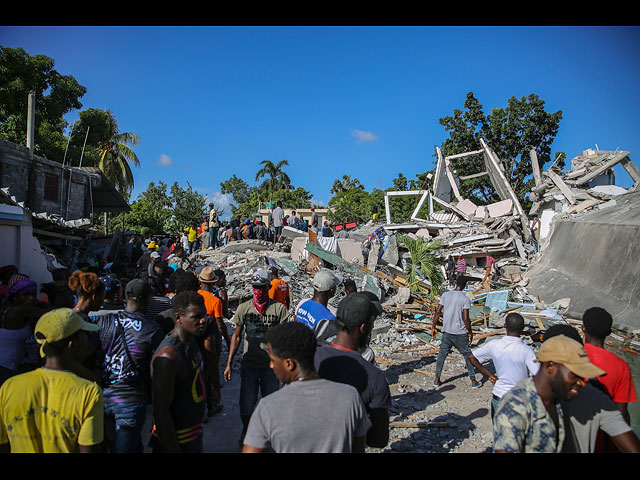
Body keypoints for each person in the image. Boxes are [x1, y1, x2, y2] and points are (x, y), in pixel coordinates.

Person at [242, 321, 371, 453]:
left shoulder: (267, 408)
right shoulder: (350, 397)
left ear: (289, 364)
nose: (270, 365)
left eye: (273, 360)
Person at [0, 308, 103, 453]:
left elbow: (3, 445)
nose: (88, 340)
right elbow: (89, 450)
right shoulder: (89, 392)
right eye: (84, 335)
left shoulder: (9, 387)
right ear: (71, 345)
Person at [492, 332, 606, 453]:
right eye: (575, 375)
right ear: (551, 366)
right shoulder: (517, 405)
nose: (582, 383)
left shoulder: (557, 400)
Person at [540, 323, 640, 453]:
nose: (582, 381)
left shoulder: (593, 397)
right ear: (551, 366)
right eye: (575, 372)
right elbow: (623, 414)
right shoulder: (521, 403)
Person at [314, 293, 391, 448]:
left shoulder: (308, 359)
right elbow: (379, 440)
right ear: (363, 327)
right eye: (371, 322)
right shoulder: (374, 377)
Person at [95, 278, 163, 453]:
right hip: (131, 400)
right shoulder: (151, 329)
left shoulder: (105, 322)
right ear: (146, 300)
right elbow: (158, 373)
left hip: (102, 396)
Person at [224, 269, 289, 444]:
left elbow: (284, 338)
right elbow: (236, 336)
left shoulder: (279, 309)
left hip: (271, 367)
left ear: (268, 287)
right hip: (250, 365)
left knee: (271, 405)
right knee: (246, 405)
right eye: (255, 287)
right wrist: (229, 363)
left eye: (261, 287)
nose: (258, 291)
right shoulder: (244, 308)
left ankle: (269, 435)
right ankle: (247, 431)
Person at [149, 291, 208, 453]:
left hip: (193, 435)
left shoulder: (191, 341)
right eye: (196, 317)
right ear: (179, 318)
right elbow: (161, 411)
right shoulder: (168, 356)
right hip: (176, 441)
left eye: (203, 315)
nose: (203, 321)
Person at [467, 312, 539, 419]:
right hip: (519, 398)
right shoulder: (526, 350)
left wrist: (489, 374)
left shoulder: (494, 344)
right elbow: (538, 375)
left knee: (499, 432)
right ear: (523, 328)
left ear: (505, 326)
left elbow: (472, 357)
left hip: (499, 395)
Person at [580, 307, 637, 424]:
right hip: (606, 435)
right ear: (609, 332)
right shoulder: (621, 366)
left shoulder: (570, 356)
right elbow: (622, 413)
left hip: (575, 433)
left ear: (583, 328)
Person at [432, 275, 479, 388]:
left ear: (456, 283)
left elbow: (438, 311)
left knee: (442, 355)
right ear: (464, 285)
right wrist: (470, 332)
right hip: (460, 333)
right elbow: (466, 318)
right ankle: (473, 380)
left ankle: (437, 379)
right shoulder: (465, 299)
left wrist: (433, 326)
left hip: (446, 332)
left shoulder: (445, 295)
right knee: (468, 355)